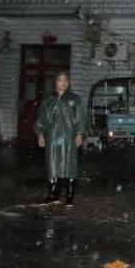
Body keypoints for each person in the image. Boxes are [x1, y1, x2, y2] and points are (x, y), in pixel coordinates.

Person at [35, 72, 86, 207]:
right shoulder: (48, 99)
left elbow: (80, 118)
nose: (63, 82)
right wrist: (40, 134)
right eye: (60, 80)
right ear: (55, 82)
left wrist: (80, 134)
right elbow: (42, 119)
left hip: (69, 136)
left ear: (68, 82)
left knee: (70, 165)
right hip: (51, 136)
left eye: (66, 80)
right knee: (52, 164)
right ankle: (53, 194)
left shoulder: (75, 99)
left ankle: (69, 196)